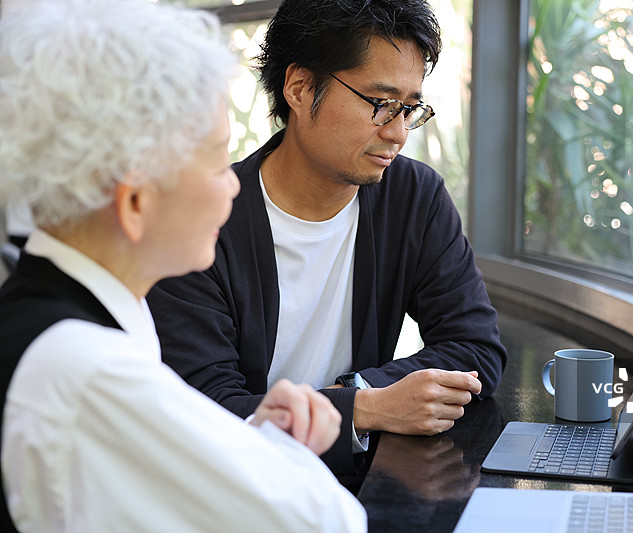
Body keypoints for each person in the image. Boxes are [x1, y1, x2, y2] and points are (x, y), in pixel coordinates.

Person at [0, 1, 366, 531]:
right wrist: (267, 453)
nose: (235, 184)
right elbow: (328, 522)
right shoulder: (87, 369)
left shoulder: (60, 316)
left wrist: (255, 439)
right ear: (135, 203)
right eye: (218, 163)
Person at [147, 0, 508, 478]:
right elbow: (204, 406)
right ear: (299, 88)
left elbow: (475, 345)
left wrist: (361, 390)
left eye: (411, 108)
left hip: (346, 480)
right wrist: (360, 408)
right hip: (231, 488)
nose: (398, 133)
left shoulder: (413, 197)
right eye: (380, 103)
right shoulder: (205, 219)